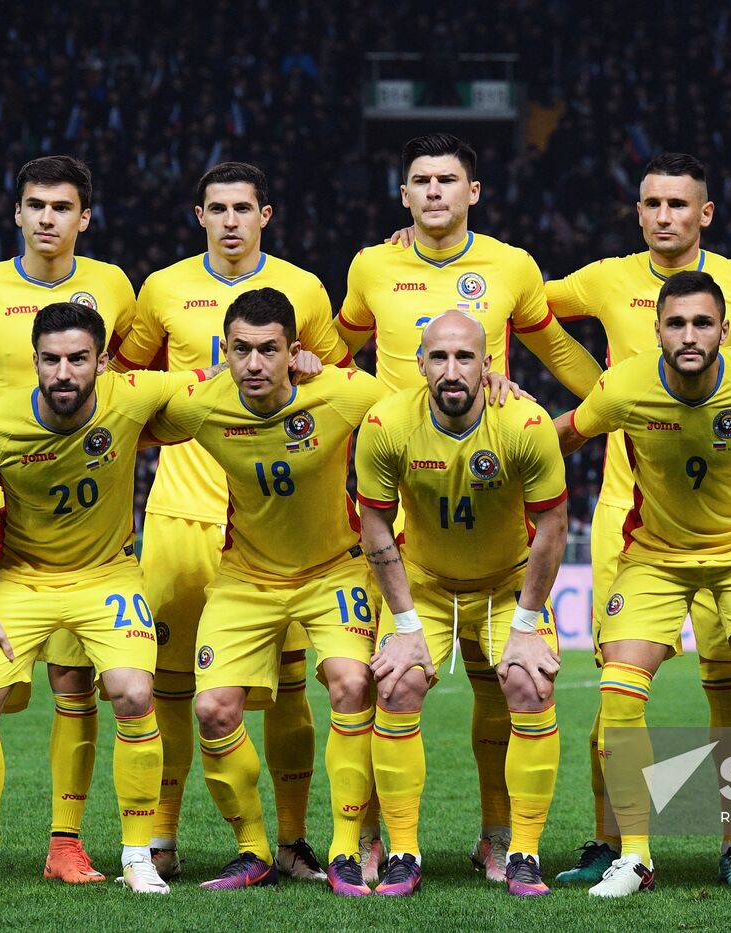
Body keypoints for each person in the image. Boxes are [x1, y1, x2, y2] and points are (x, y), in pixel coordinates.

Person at [544, 151, 731, 886]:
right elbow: (527, 312)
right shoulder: (605, 278)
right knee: (616, 682)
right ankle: (615, 844)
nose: (664, 215)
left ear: (706, 214)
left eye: (678, 204)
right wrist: (587, 378)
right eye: (652, 203)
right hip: (633, 520)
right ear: (638, 212)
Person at [342, 132, 600, 882]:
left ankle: (502, 837)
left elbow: (554, 349)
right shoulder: (371, 264)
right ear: (403, 195)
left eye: (447, 180)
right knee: (381, 676)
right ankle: (376, 839)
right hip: (401, 477)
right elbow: (338, 345)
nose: (433, 192)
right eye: (419, 180)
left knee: (507, 682)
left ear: (473, 192)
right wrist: (305, 367)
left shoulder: (512, 266)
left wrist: (611, 402)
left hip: (489, 481)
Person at [112, 162, 350, 882]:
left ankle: (293, 841)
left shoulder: (303, 290)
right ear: (199, 215)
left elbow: (336, 386)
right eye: (218, 208)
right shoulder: (161, 289)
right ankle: (162, 836)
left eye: (243, 207)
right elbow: (123, 391)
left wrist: (309, 364)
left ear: (265, 215)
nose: (231, 220)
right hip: (182, 513)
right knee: (174, 687)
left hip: (277, 521)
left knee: (291, 684)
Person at [0, 302, 219, 894]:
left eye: (78, 359)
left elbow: (214, 383)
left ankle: (137, 856)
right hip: (22, 577)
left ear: (101, 361)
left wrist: (298, 363)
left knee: (134, 693)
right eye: (51, 360)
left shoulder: (132, 393)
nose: (64, 372)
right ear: (34, 360)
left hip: (107, 576)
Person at [0, 155, 137, 884]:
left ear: (85, 216)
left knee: (77, 684)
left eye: (62, 206)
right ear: (17, 213)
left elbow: (131, 380)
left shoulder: (113, 286)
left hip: (74, 515)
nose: (48, 217)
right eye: (35, 205)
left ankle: (64, 842)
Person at [145, 287, 387, 894]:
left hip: (334, 571)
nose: (253, 364)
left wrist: (498, 387)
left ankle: (343, 850)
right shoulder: (202, 402)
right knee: (212, 708)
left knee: (352, 684)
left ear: (293, 352)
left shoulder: (342, 392)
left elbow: (421, 412)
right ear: (223, 352)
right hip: (246, 579)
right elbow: (122, 423)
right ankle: (253, 851)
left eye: (268, 351)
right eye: (241, 351)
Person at [356, 310, 568, 897]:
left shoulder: (523, 423)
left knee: (530, 682)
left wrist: (526, 626)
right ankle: (402, 850)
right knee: (396, 686)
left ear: (487, 365)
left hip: (506, 583)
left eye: (465, 357)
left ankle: (518, 850)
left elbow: (552, 528)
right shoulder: (387, 423)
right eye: (440, 358)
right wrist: (402, 625)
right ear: (419, 363)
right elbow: (374, 524)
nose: (452, 371)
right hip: (423, 582)